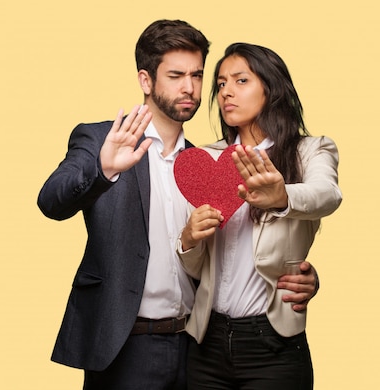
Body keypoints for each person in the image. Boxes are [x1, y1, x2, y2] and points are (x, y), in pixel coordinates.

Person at [37, 21, 319, 390]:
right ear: (146, 80)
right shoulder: (103, 139)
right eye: (175, 75)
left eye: (198, 75)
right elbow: (51, 201)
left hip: (199, 346)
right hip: (124, 345)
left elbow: (236, 252)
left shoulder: (208, 163)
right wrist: (103, 170)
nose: (189, 87)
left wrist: (298, 274)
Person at [178, 43, 343, 389]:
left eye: (241, 81)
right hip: (206, 343)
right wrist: (189, 240)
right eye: (221, 84)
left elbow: (327, 195)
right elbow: (198, 270)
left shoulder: (308, 151)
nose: (226, 93)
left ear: (271, 89)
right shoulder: (206, 161)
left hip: (273, 346)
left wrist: (282, 196)